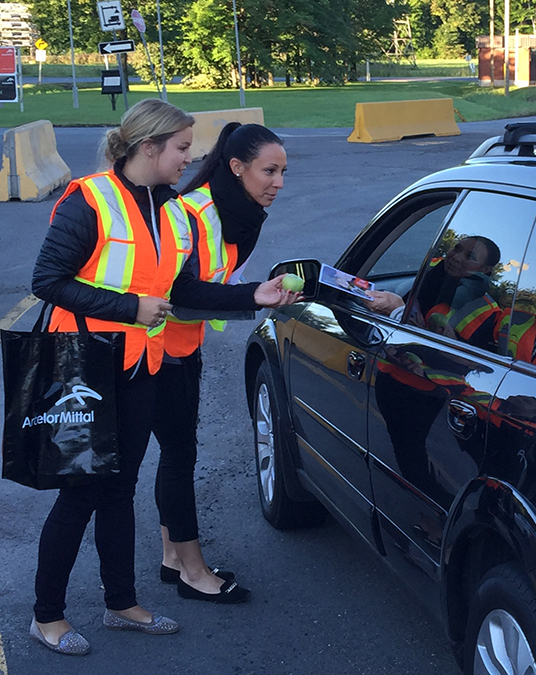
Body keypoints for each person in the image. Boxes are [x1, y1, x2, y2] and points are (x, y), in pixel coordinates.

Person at [29, 99, 298, 655]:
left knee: (121, 488)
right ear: (148, 148)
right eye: (181, 148)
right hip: (80, 366)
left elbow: (185, 292)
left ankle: (121, 603)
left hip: (140, 365)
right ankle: (47, 616)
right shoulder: (90, 199)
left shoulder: (173, 211)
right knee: (81, 493)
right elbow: (47, 280)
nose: (190, 158)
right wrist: (130, 309)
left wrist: (255, 294)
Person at [153, 122, 287, 604]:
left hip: (182, 346)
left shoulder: (243, 217)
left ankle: (173, 557)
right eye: (268, 171)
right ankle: (192, 569)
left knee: (175, 455)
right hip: (149, 350)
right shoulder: (189, 213)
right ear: (236, 168)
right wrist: (253, 294)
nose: (278, 182)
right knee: (179, 456)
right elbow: (180, 292)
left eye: (283, 172)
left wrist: (253, 292)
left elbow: (217, 284)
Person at [365, 235, 501, 348]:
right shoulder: (434, 266)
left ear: (485, 269)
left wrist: (397, 312)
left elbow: (457, 359)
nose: (456, 257)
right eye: (457, 248)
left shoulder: (486, 312)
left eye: (470, 257)